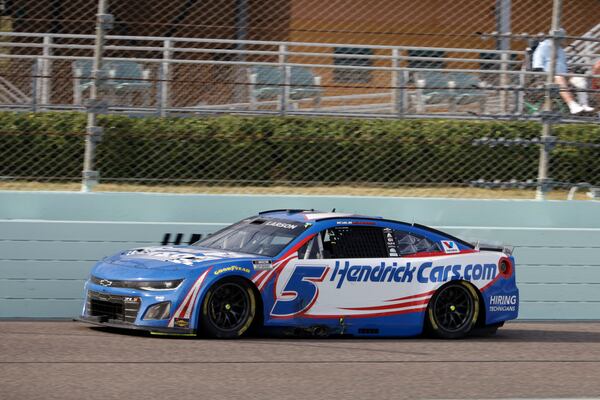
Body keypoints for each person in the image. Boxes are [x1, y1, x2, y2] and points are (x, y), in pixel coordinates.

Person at [532, 36, 594, 114]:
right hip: (548, 74)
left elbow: (563, 64)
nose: (564, 41)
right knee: (559, 78)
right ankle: (572, 105)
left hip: (562, 73)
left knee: (579, 80)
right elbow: (537, 63)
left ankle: (583, 104)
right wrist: (542, 71)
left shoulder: (560, 49)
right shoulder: (543, 46)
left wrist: (569, 72)